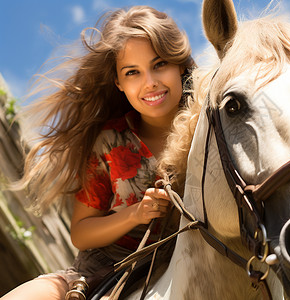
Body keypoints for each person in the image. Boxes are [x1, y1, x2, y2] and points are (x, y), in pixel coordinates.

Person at [2, 5, 195, 300]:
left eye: (159, 64)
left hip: (196, 258)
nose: (150, 82)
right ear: (119, 82)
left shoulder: (209, 124)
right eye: (133, 72)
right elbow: (81, 233)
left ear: (180, 63)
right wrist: (134, 214)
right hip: (106, 268)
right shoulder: (109, 143)